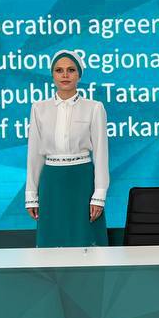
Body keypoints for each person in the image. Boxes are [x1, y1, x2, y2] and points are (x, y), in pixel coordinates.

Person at [25, 50, 109, 248]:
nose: (65, 75)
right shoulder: (39, 108)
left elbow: (101, 154)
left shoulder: (94, 107)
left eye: (71, 70)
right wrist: (31, 195)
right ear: (52, 75)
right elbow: (34, 154)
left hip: (82, 180)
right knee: (52, 242)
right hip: (51, 182)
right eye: (59, 70)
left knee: (85, 239)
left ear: (79, 74)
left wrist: (99, 194)